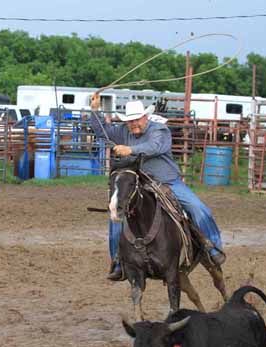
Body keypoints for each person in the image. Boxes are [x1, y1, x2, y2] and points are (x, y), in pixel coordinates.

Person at [89, 94, 225, 281]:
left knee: (197, 208)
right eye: (130, 121)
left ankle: (212, 247)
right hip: (140, 185)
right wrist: (95, 110)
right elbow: (103, 131)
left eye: (137, 119)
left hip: (167, 182)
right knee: (116, 217)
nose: (134, 124)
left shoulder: (159, 130)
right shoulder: (123, 131)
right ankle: (119, 262)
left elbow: (155, 147)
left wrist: (131, 150)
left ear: (145, 117)